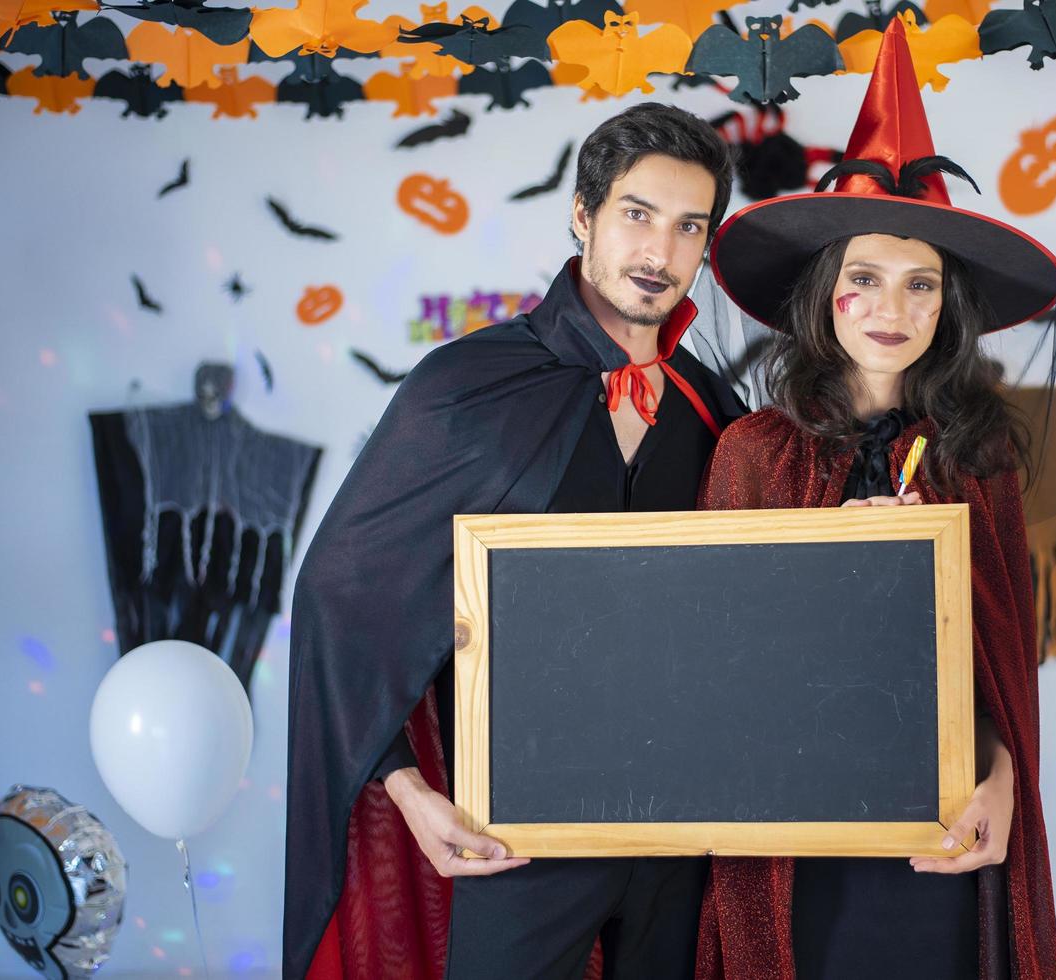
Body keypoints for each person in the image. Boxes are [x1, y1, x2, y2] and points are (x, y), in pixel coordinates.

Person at [282, 102, 746, 980]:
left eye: (690, 227)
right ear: (583, 214)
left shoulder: (714, 412)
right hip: (518, 831)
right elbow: (340, 593)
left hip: (686, 831)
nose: (660, 253)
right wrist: (406, 789)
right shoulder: (467, 386)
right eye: (637, 215)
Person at [692, 20, 1056, 980]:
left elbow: (1004, 667)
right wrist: (823, 565)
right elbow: (710, 665)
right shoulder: (755, 455)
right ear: (821, 296)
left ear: (948, 307)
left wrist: (1006, 782)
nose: (893, 309)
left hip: (944, 822)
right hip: (802, 836)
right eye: (865, 280)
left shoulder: (980, 458)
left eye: (921, 285)